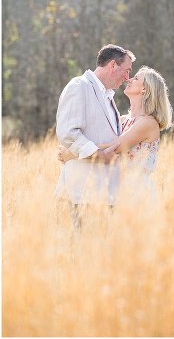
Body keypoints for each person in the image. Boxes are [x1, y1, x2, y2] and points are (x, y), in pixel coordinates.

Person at [58, 66, 173, 200]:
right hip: (118, 189)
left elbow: (114, 146)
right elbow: (101, 141)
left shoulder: (148, 123)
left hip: (137, 191)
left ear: (144, 89)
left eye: (136, 78)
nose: (129, 79)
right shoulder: (123, 119)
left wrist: (71, 153)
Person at [54, 44, 135, 224]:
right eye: (127, 70)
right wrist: (98, 155)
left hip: (106, 195)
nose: (127, 77)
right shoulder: (79, 86)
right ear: (113, 65)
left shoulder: (109, 96)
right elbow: (68, 132)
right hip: (81, 194)